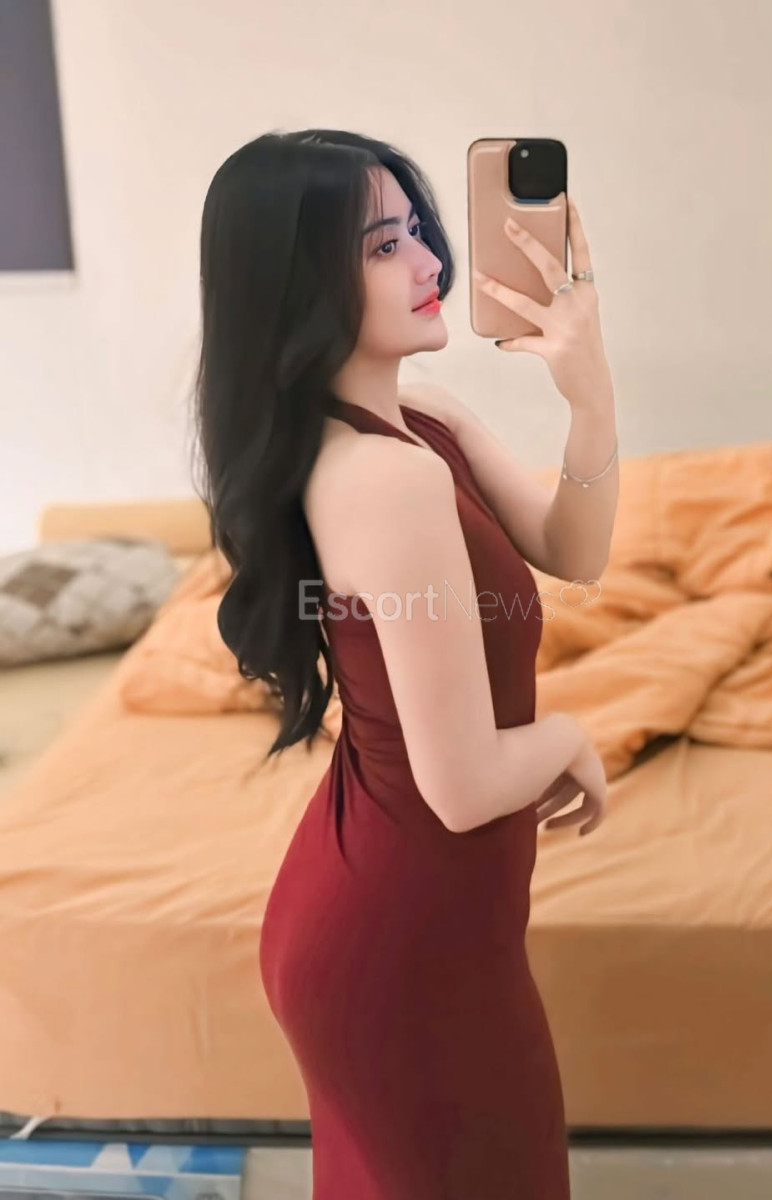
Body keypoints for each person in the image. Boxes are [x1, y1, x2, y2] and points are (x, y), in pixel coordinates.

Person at [191, 128, 610, 1199]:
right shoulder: (385, 479)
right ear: (298, 284)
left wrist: (590, 390)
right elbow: (463, 785)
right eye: (384, 245)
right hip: (402, 943)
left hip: (410, 916)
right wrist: (566, 734)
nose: (430, 261)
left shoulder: (420, 425)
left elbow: (574, 549)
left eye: (418, 229)